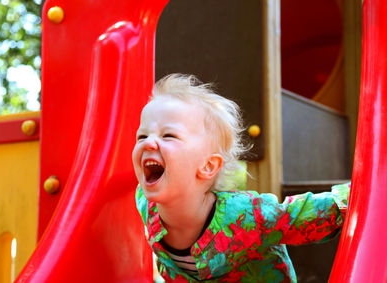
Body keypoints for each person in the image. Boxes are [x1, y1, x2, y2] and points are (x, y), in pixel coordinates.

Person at [132, 74, 350, 282]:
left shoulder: (246, 215)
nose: (148, 143)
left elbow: (296, 216)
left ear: (208, 166)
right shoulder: (145, 203)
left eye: (168, 135)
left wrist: (353, 197)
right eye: (142, 135)